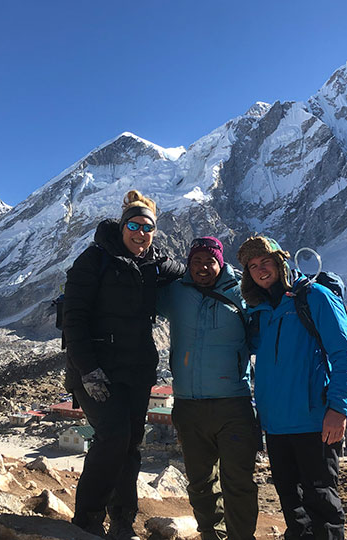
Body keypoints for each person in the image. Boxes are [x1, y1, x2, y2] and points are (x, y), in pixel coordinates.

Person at [62, 190, 183, 540]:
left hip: (136, 370)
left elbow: (179, 270)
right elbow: (74, 318)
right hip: (95, 371)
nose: (140, 233)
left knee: (130, 442)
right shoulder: (93, 260)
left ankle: (122, 517)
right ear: (121, 225)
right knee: (112, 435)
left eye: (148, 228)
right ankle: (87, 517)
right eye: (134, 225)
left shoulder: (151, 264)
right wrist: (88, 370)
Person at [236, 236, 347, 540]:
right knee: (291, 504)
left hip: (315, 421)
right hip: (277, 425)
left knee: (321, 501)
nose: (260, 269)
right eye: (252, 266)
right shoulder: (261, 312)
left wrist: (338, 409)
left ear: (280, 262)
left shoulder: (314, 297)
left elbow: (346, 354)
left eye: (265, 261)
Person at [156, 236, 260, 540]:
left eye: (210, 260)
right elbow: (138, 296)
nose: (203, 266)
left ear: (220, 262)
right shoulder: (174, 292)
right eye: (197, 261)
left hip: (234, 403)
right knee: (200, 480)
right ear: (188, 264)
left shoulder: (243, 291)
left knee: (238, 480)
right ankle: (211, 534)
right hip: (189, 405)